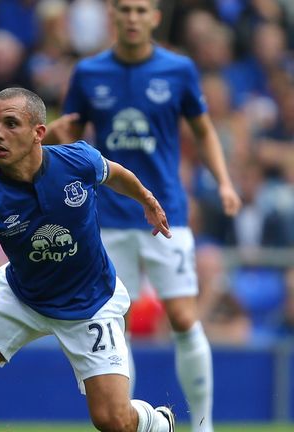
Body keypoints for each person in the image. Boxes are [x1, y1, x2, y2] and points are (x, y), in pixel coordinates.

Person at [0, 87, 175, 432]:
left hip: (90, 302)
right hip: (24, 298)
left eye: (11, 123)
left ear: (38, 132)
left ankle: (158, 423)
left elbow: (114, 173)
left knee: (113, 421)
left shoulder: (77, 160)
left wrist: (146, 199)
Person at [49, 1, 243, 431]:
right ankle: (128, 424)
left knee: (184, 318)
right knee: (116, 325)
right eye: (125, 10)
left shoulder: (179, 70)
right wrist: (59, 137)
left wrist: (224, 182)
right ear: (113, 16)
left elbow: (204, 130)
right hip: (108, 217)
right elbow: (70, 140)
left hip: (167, 213)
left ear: (155, 17)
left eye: (141, 10)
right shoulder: (89, 73)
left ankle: (203, 425)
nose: (133, 18)